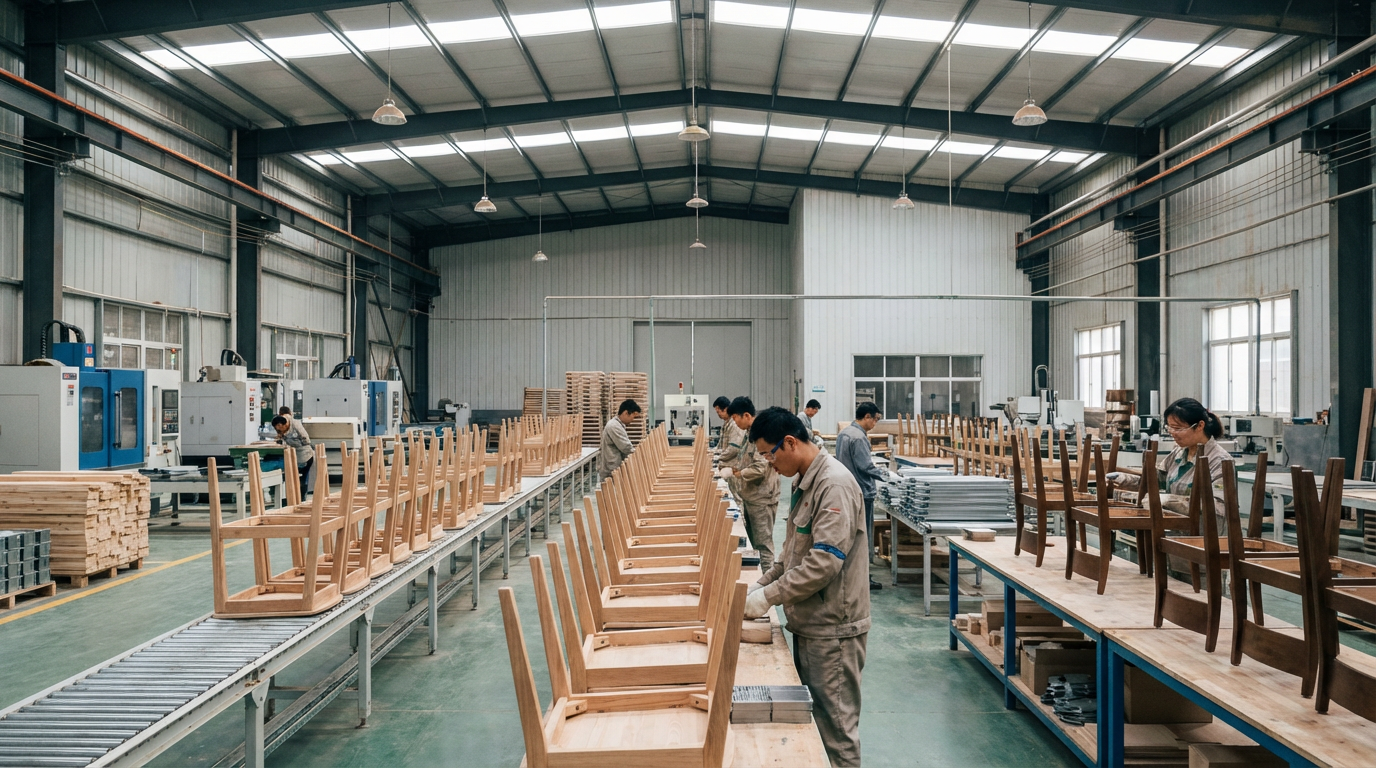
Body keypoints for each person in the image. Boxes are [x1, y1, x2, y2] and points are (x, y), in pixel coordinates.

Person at [742, 407, 870, 768]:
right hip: (812, 622)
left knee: (836, 730)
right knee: (817, 725)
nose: (768, 464)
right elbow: (790, 557)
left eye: (769, 454)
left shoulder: (834, 485)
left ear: (790, 442)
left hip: (834, 630)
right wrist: (758, 587)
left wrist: (768, 598)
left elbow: (824, 563)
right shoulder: (805, 481)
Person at [1110, 397, 1230, 518]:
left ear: (1200, 425)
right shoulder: (1178, 453)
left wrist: (1170, 501)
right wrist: (1125, 479)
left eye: (1178, 428)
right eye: (1169, 428)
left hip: (1205, 533)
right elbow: (1155, 482)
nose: (1172, 433)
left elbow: (1219, 507)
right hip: (1174, 527)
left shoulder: (1219, 460)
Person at [723, 396, 780, 571]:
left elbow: (760, 468)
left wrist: (738, 474)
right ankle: (758, 581)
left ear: (746, 415)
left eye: (736, 418)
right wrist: (732, 469)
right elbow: (744, 460)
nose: (735, 423)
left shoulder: (760, 435)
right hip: (751, 496)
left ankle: (766, 586)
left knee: (763, 545)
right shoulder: (749, 434)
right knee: (753, 543)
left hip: (762, 498)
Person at [836, 402, 888, 590]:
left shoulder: (845, 433)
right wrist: (888, 476)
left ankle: (850, 573)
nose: (875, 423)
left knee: (850, 534)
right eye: (875, 419)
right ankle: (862, 577)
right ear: (867, 416)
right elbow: (865, 466)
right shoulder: (858, 437)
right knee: (862, 536)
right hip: (861, 492)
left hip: (847, 490)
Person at [272, 415, 315, 499]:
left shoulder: (295, 425)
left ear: (283, 425)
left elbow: (306, 439)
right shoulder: (282, 430)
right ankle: (294, 498)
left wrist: (299, 445)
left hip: (305, 456)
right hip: (295, 455)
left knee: (301, 478)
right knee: (294, 477)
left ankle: (301, 499)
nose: (279, 430)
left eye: (279, 428)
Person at [713, 396, 745, 507]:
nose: (718, 415)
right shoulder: (726, 424)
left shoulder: (734, 425)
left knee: (736, 499)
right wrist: (714, 453)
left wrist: (717, 457)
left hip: (733, 468)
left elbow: (733, 448)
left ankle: (739, 523)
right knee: (730, 497)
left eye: (718, 412)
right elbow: (721, 445)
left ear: (725, 409)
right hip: (726, 466)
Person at [598, 399, 641, 479]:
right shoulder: (614, 426)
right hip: (611, 471)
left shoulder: (618, 425)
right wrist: (641, 455)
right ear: (626, 413)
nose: (633, 420)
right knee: (611, 491)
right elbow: (626, 447)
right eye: (633, 417)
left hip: (614, 469)